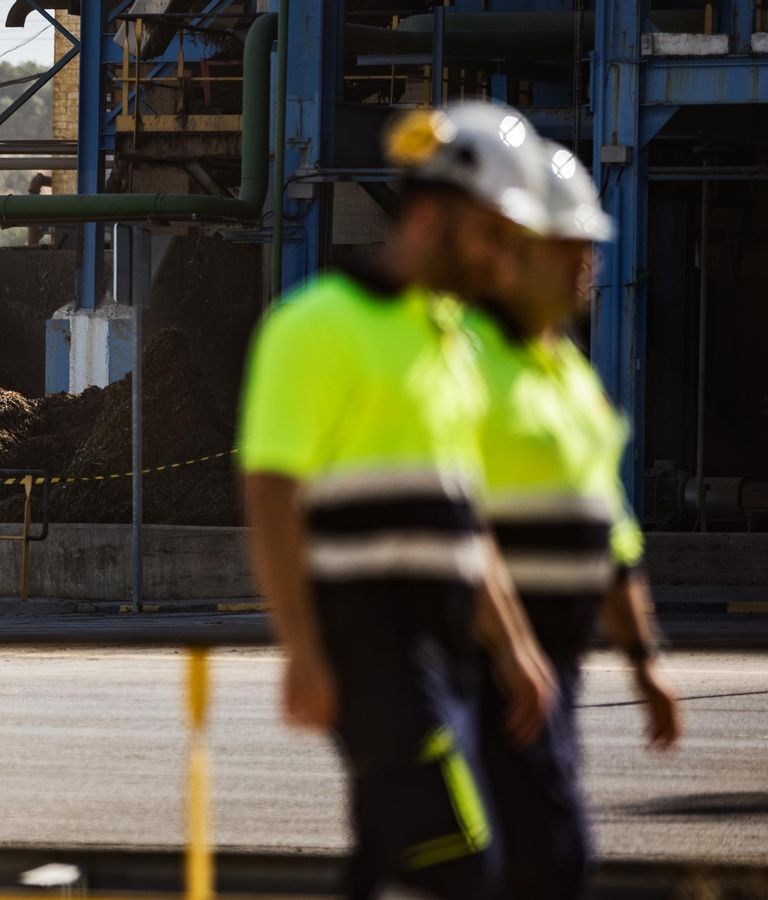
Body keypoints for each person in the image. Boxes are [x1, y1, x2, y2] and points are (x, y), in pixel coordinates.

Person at [240, 101, 558, 900]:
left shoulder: (454, 340)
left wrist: (513, 642)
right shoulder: (315, 328)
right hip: (368, 638)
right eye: (491, 233)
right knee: (459, 859)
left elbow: (461, 518)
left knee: (395, 861)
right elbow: (271, 496)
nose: (501, 258)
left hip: (451, 647)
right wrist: (301, 649)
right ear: (430, 214)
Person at [467, 140, 682, 899]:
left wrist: (644, 657)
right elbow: (452, 523)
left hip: (554, 667)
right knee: (535, 859)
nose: (586, 265)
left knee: (548, 860)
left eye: (587, 248)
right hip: (480, 669)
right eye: (568, 248)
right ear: (514, 254)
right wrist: (510, 644)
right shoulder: (465, 361)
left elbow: (608, 526)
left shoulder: (566, 371)